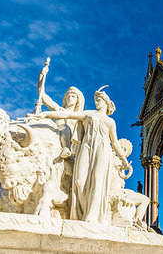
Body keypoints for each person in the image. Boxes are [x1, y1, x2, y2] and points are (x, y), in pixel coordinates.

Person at [31, 86, 129, 225]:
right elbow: (67, 115)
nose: (96, 103)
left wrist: (124, 161)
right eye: (96, 100)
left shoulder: (110, 122)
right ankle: (80, 212)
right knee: (79, 181)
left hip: (102, 149)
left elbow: (115, 143)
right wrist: (46, 115)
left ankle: (92, 215)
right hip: (86, 147)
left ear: (106, 103)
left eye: (99, 100)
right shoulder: (89, 114)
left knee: (97, 181)